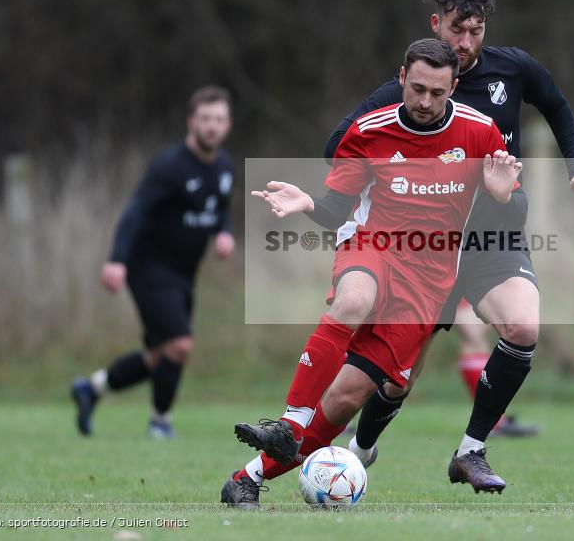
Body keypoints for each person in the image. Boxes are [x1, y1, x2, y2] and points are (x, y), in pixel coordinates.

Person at [324, 0, 574, 492]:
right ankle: (360, 451)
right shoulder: (412, 90)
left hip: (493, 238)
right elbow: (339, 144)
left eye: (475, 31)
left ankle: (471, 451)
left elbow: (558, 107)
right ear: (436, 24)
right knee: (396, 380)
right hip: (426, 250)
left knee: (523, 328)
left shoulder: (513, 69)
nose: (465, 42)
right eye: (456, 29)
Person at [221, 39, 522, 509]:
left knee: (343, 400)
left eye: (438, 93)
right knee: (354, 298)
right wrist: (307, 205)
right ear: (401, 77)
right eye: (417, 88)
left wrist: (504, 195)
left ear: (454, 88)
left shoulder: (481, 132)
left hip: (428, 283)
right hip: (371, 246)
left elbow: (516, 209)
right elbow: (336, 209)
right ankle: (291, 422)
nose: (425, 102)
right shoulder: (367, 130)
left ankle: (246, 479)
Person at [70, 86, 236, 439]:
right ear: (191, 122)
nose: (212, 127)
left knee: (160, 357)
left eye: (219, 120)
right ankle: (161, 421)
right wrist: (116, 260)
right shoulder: (168, 166)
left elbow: (221, 207)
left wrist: (225, 233)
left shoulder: (225, 166)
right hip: (149, 268)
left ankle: (92, 389)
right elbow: (135, 212)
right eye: (205, 119)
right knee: (180, 345)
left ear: (228, 124)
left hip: (185, 275)